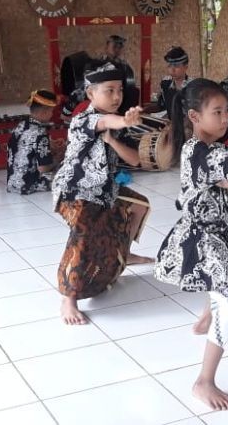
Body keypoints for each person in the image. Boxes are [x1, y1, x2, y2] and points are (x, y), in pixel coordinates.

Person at [155, 79, 228, 411]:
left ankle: (207, 317)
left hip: (217, 234)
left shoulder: (216, 149)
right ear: (194, 116)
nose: (225, 118)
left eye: (227, 111)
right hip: (201, 237)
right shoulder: (195, 149)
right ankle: (203, 381)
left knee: (223, 283)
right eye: (217, 112)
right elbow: (221, 166)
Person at [52, 63, 154, 325]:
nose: (117, 96)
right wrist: (124, 120)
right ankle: (68, 299)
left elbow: (134, 161)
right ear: (91, 95)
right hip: (77, 192)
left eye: (119, 90)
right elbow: (105, 121)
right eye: (109, 91)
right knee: (84, 237)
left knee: (139, 206)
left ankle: (125, 252)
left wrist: (113, 140)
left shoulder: (116, 125)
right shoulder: (83, 119)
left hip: (104, 191)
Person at [6, 89, 57, 195]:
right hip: (30, 184)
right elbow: (43, 168)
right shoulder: (40, 132)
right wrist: (59, 159)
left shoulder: (20, 125)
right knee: (70, 171)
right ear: (44, 111)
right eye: (51, 111)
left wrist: (50, 146)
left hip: (13, 183)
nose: (52, 114)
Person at [156, 46, 194, 115]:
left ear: (186, 67)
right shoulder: (165, 84)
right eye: (169, 66)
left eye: (176, 66)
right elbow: (164, 108)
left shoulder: (193, 86)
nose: (172, 70)